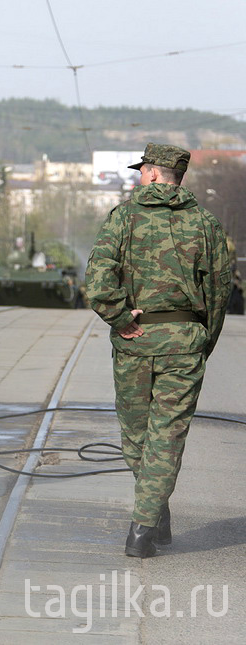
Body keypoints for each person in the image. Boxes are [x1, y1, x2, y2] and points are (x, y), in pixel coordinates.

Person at [86, 143, 232, 558]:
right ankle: (151, 515)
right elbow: (219, 292)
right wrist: (204, 340)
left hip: (136, 339)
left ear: (152, 173)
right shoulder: (206, 223)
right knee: (166, 436)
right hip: (185, 342)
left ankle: (143, 524)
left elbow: (97, 280)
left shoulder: (124, 218)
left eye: (142, 170)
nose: (139, 177)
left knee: (136, 436)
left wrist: (119, 317)